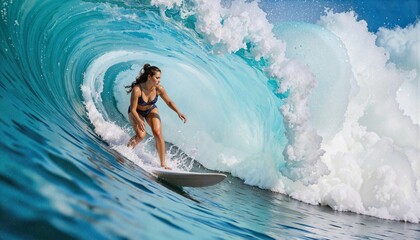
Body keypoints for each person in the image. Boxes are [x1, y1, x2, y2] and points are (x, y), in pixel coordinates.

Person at [125, 64, 187, 169]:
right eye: (157, 78)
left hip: (150, 110)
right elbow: (134, 109)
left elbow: (169, 101)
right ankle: (126, 151)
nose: (159, 80)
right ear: (149, 77)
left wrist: (178, 112)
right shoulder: (137, 90)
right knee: (141, 135)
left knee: (158, 133)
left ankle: (163, 164)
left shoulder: (159, 89)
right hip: (136, 112)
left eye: (159, 78)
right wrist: (139, 121)